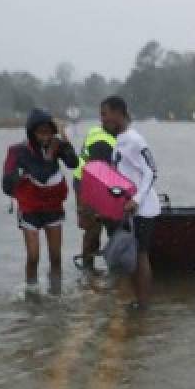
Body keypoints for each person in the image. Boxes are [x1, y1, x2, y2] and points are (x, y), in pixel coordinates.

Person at [1, 108, 78, 291]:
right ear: (32, 133)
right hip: (30, 208)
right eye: (41, 133)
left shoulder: (57, 145)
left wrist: (64, 138)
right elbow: (6, 186)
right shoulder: (17, 151)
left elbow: (74, 163)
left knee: (56, 257)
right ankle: (32, 292)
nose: (45, 137)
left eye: (49, 132)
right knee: (33, 256)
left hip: (52, 207)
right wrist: (17, 175)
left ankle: (55, 292)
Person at [99, 95, 159, 309]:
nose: (102, 121)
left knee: (140, 256)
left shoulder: (134, 140)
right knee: (130, 256)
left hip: (143, 210)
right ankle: (134, 300)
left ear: (118, 114)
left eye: (105, 115)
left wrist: (136, 199)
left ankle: (143, 305)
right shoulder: (120, 141)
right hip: (128, 210)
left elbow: (151, 171)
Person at [71, 99, 119, 273]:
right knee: (94, 228)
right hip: (87, 185)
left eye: (105, 114)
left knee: (103, 228)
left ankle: (94, 270)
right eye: (102, 115)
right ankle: (88, 271)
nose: (102, 119)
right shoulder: (101, 140)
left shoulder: (105, 133)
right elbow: (102, 175)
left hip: (88, 182)